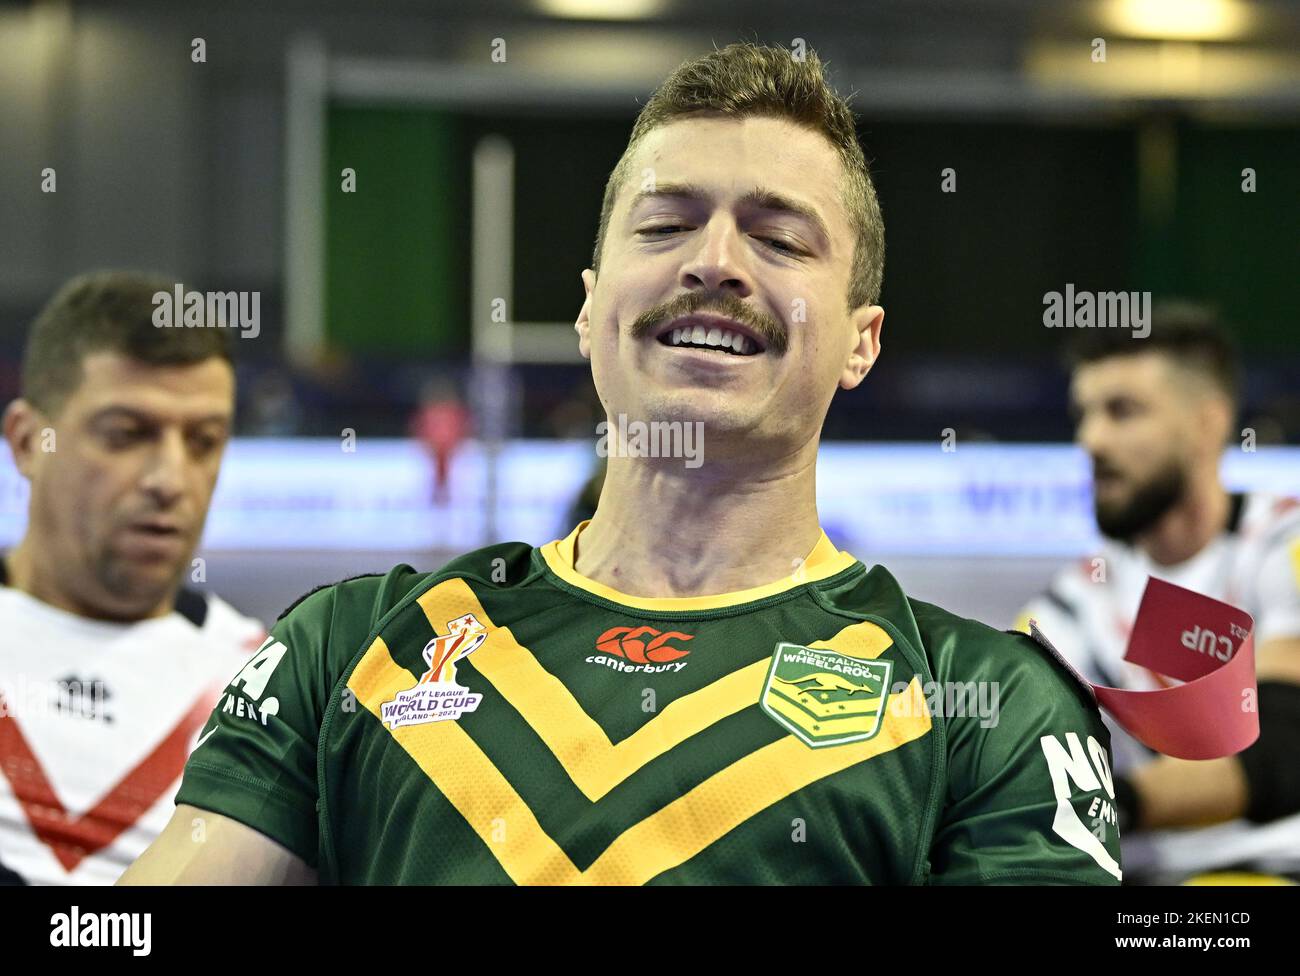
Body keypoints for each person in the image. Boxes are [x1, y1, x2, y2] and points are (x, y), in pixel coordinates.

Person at [122, 43, 1123, 885]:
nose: (714, 261)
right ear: (589, 308)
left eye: (776, 236)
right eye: (665, 223)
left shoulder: (983, 708)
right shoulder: (346, 649)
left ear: (862, 341)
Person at [1016, 306, 1300, 883]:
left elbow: (1284, 748)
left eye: (1122, 411)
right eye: (1084, 414)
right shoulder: (1074, 600)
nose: (1089, 440)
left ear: (1208, 424)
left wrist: (1106, 807)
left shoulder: (1282, 544)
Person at [0, 271, 265, 884]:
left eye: (203, 441)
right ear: (25, 441)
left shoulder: (272, 689)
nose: (170, 480)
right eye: (126, 435)